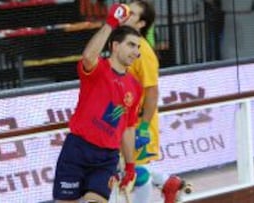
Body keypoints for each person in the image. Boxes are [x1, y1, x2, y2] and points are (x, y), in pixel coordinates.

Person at [53, 4, 143, 203]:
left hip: (107, 158)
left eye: (138, 47)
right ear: (115, 46)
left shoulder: (135, 87)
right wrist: (110, 23)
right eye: (131, 45)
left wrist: (130, 165)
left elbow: (128, 128)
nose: (136, 52)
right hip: (77, 149)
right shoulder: (98, 70)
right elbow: (87, 56)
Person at [122, 1, 192, 203]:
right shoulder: (119, 43)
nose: (125, 14)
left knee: (135, 172)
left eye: (131, 13)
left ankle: (167, 182)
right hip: (122, 121)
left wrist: (143, 126)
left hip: (137, 123)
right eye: (126, 10)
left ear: (142, 23)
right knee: (125, 167)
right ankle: (168, 182)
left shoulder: (143, 52)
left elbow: (152, 92)